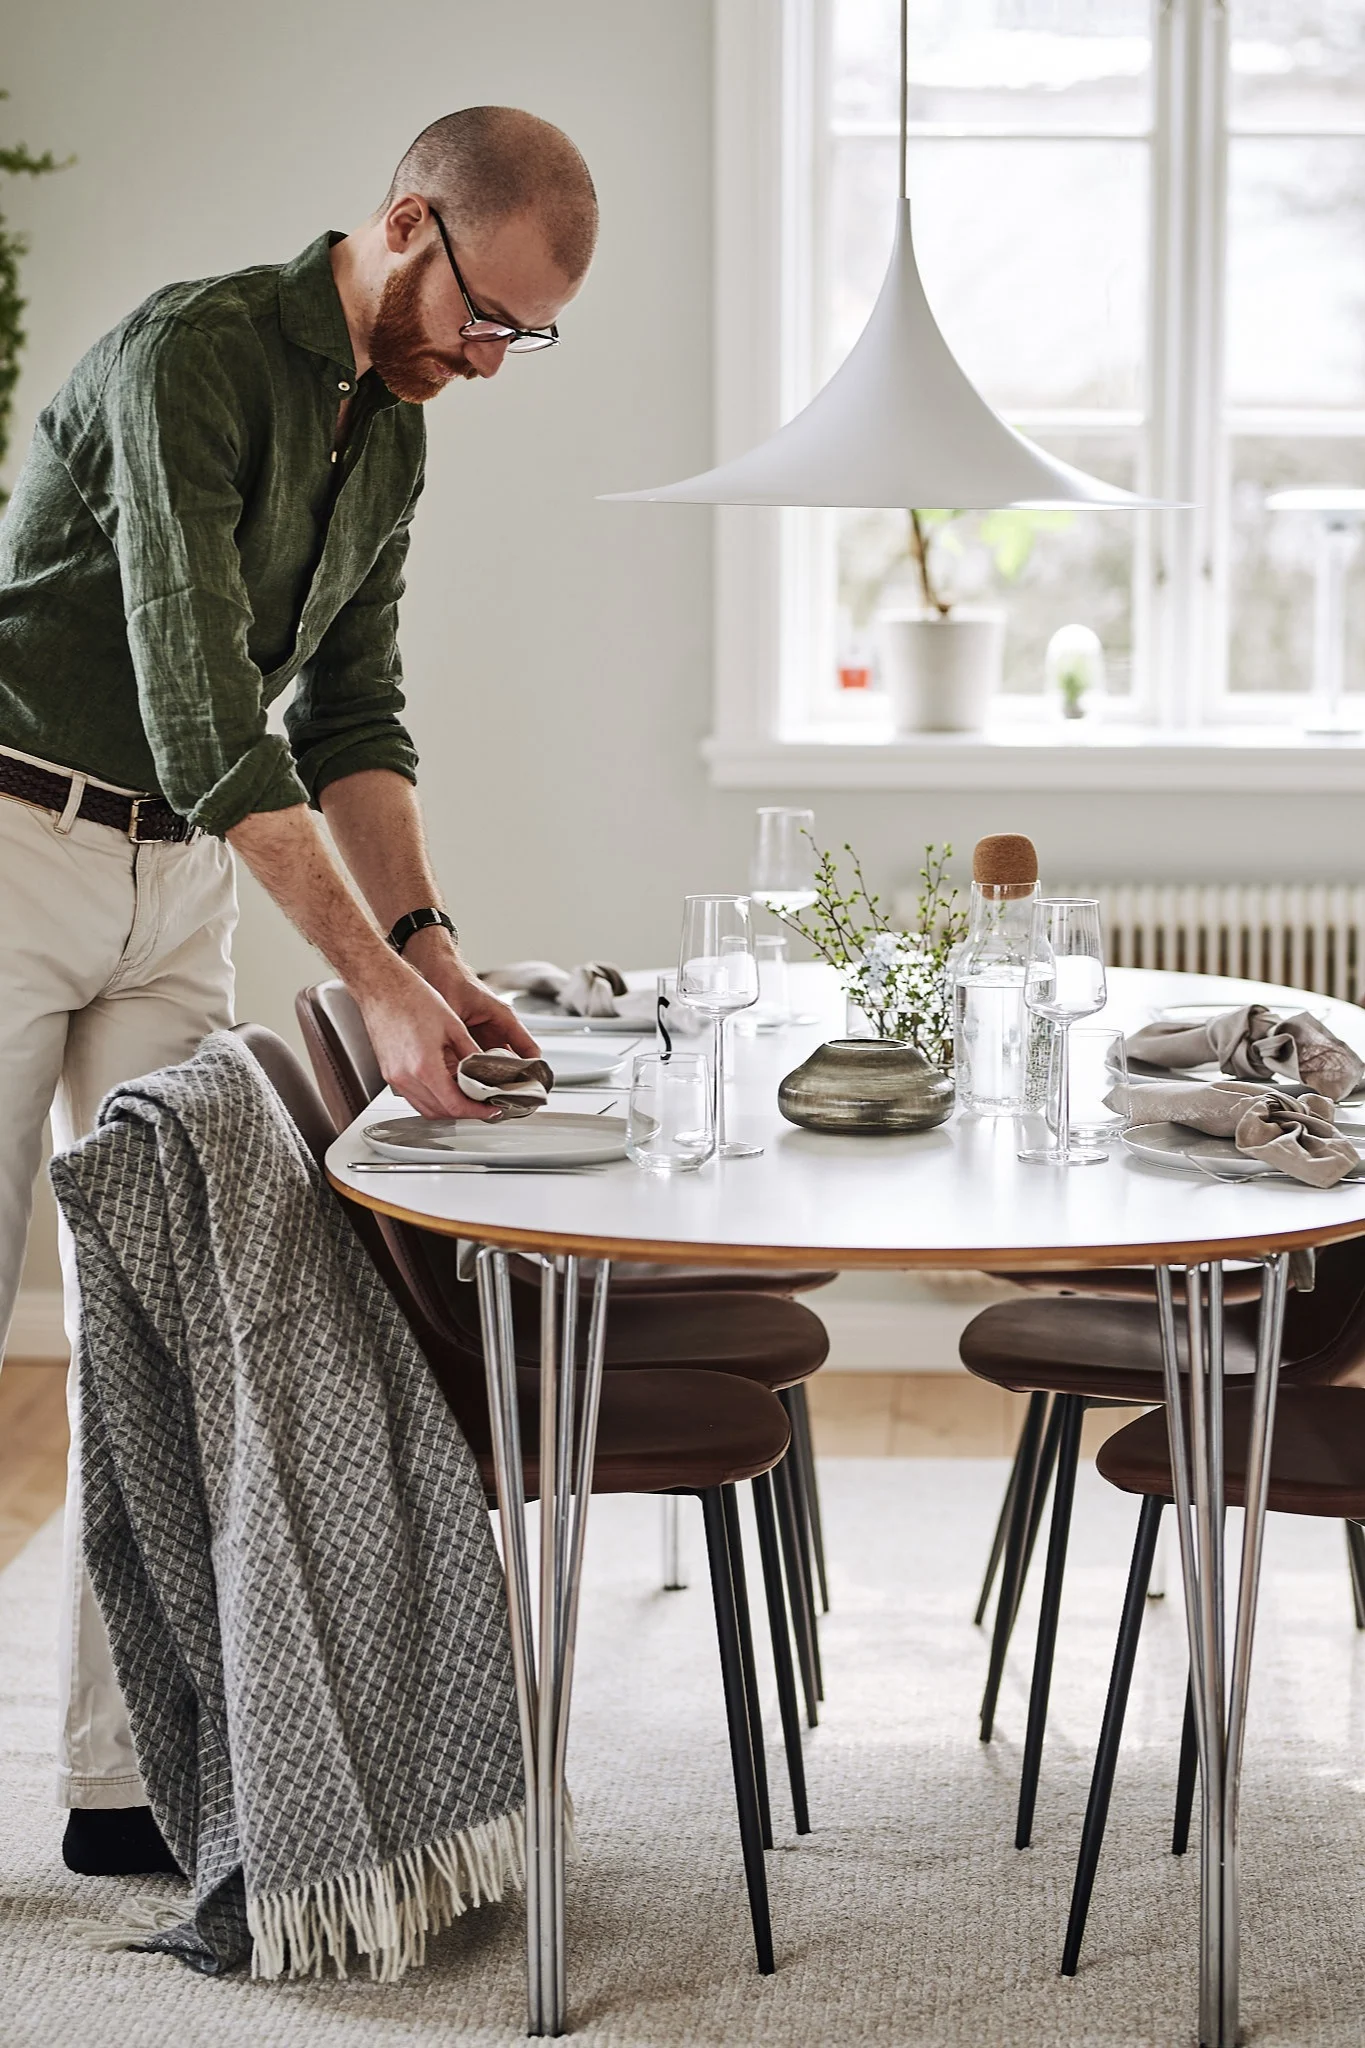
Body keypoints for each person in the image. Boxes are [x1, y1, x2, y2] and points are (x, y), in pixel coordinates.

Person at [0, 105, 597, 1875]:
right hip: (17, 838)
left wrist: (432, 959)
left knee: (172, 1319)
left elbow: (350, 720)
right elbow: (203, 712)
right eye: (485, 317)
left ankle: (125, 1778)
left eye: (525, 339)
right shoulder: (190, 358)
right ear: (407, 222)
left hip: (187, 886)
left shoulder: (393, 439)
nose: (490, 365)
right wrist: (368, 984)